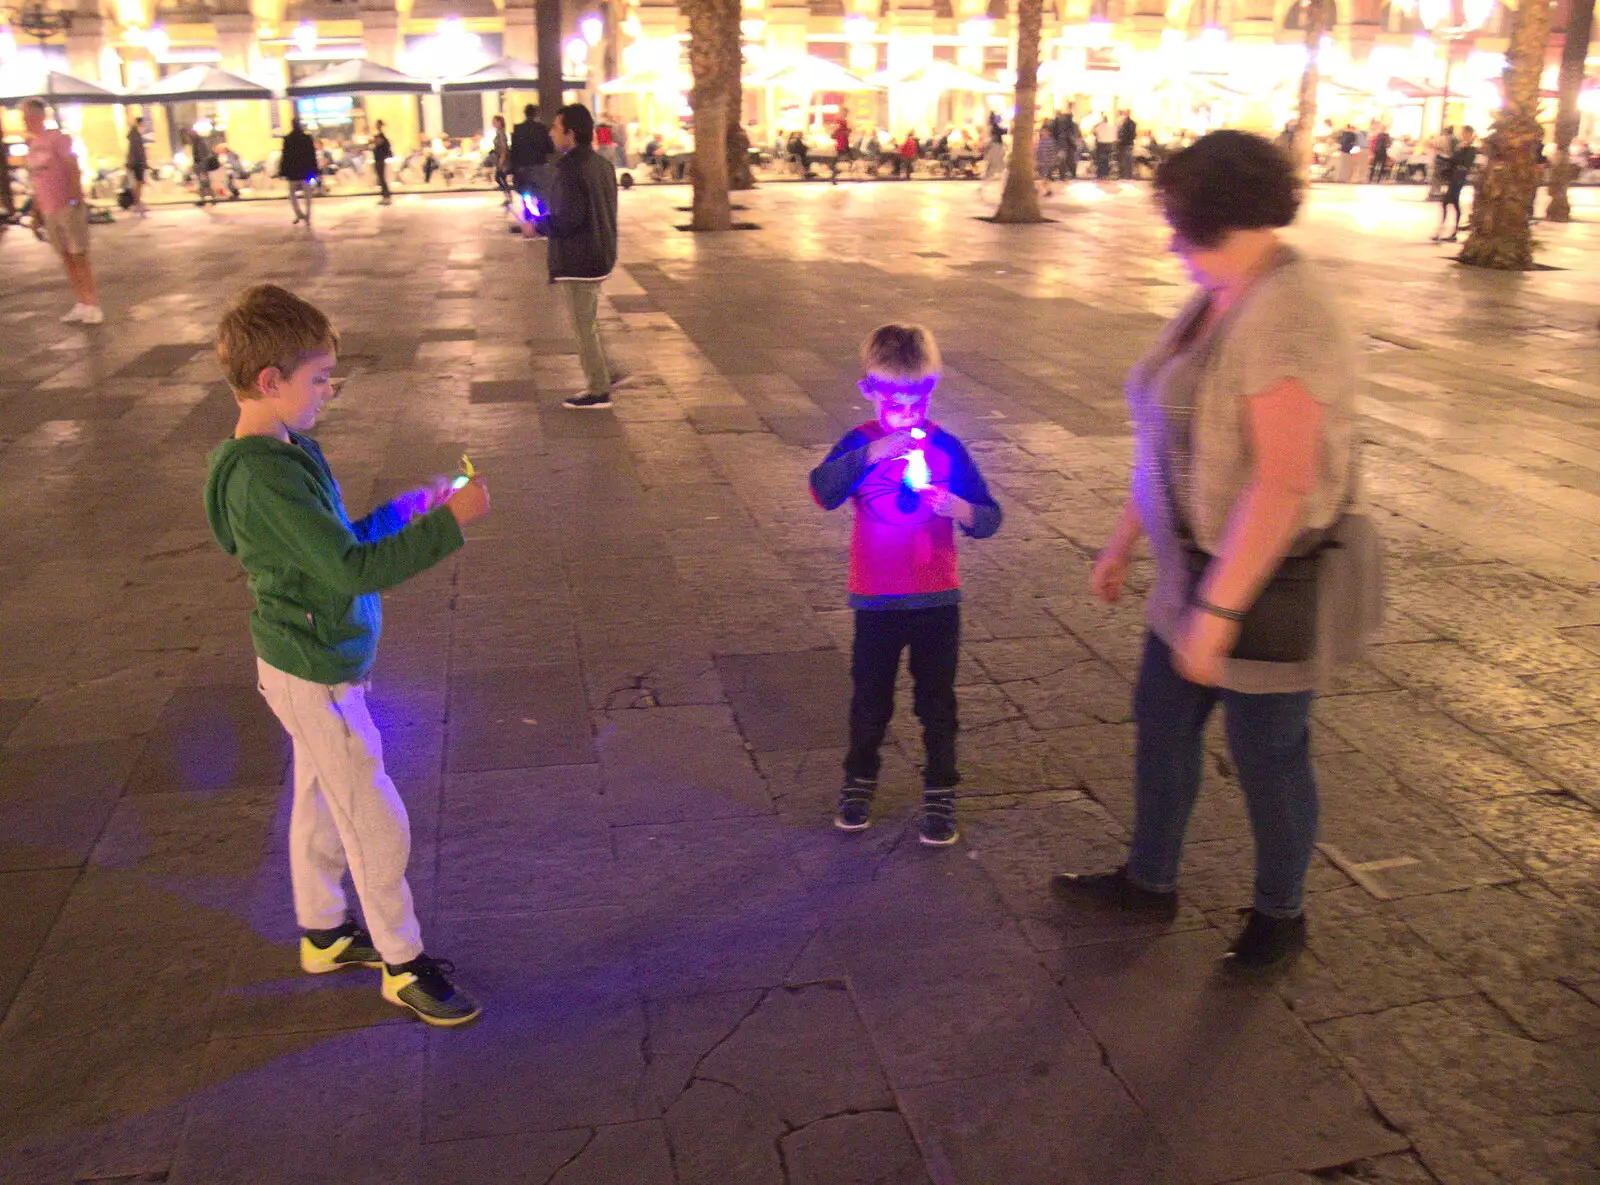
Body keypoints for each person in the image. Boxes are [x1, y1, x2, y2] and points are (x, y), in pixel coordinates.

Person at [1052, 130, 1367, 971]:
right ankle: (1149, 878)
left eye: (1185, 228)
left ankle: (1280, 913)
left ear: (1233, 222)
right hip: (1192, 567)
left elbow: (1283, 482)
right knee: (1162, 726)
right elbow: (1170, 433)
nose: (1172, 243)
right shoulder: (1221, 292)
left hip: (1265, 580)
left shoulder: (1287, 320)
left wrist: (1220, 613)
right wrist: (1125, 538)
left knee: (1268, 753)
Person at [204, 284, 491, 1025]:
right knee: (371, 814)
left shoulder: (287, 450)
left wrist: (417, 506)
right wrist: (449, 527)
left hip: (312, 656)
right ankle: (404, 963)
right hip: (313, 666)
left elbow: (340, 541)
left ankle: (324, 930)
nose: (329, 391)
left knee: (319, 795)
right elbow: (353, 570)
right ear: (271, 382)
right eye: (319, 378)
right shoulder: (265, 477)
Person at [809, 324, 1003, 847]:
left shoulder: (947, 447)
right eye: (894, 402)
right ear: (869, 391)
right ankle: (858, 784)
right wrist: (872, 453)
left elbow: (988, 518)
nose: (907, 414)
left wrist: (956, 505)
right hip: (875, 596)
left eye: (918, 402)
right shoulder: (858, 443)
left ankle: (941, 790)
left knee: (936, 699)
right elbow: (822, 491)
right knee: (870, 696)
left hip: (936, 596)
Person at [533, 104, 623, 410]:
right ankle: (610, 370)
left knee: (583, 326)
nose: (552, 133)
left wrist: (537, 224)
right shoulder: (602, 164)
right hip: (600, 253)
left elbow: (568, 218)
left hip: (578, 259)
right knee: (590, 320)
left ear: (570, 134)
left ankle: (598, 389)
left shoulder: (569, 168)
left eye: (557, 128)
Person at [20, 99, 102, 324]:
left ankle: (92, 303)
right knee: (65, 257)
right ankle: (81, 302)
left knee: (79, 255)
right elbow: (36, 183)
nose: (23, 120)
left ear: (37, 116)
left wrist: (76, 198)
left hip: (66, 205)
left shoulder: (58, 139)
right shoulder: (32, 146)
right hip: (48, 209)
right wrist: (36, 215)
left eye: (25, 116)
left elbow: (72, 168)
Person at [1433, 125, 1477, 243]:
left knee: (1449, 202)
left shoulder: (1471, 149)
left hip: (1459, 178)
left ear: (1469, 133)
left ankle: (1447, 232)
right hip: (1455, 177)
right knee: (1450, 203)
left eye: (1464, 133)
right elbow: (1453, 160)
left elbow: (1464, 162)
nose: (1462, 135)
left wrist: (1462, 149)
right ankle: (1448, 232)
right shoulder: (1461, 146)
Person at [509, 104, 556, 204]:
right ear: (536, 114)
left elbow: (514, 150)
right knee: (541, 190)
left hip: (522, 167)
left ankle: (526, 207)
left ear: (525, 114)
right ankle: (541, 208)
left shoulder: (518, 128)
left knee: (524, 189)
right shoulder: (542, 128)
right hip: (538, 165)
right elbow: (550, 148)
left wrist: (513, 168)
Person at [279, 119, 319, 226]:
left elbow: (285, 157)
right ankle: (308, 216)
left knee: (292, 194)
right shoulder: (306, 138)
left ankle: (299, 213)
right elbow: (312, 155)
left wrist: (283, 171)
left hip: (293, 172)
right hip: (305, 170)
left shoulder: (288, 139)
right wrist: (315, 170)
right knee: (307, 194)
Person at [125, 113, 148, 216]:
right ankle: (137, 203)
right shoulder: (136, 135)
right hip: (137, 163)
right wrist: (144, 162)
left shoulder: (133, 135)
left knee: (138, 183)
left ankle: (137, 202)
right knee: (138, 183)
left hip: (134, 162)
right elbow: (138, 151)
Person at [188, 124, 216, 206]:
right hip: (200, 167)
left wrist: (202, 168)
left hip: (202, 167)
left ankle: (208, 199)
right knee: (203, 183)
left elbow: (202, 156)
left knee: (204, 183)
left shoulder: (199, 143)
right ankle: (206, 199)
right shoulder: (197, 142)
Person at [491, 114, 511, 206]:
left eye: (494, 121)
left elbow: (503, 148)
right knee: (501, 177)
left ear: (499, 122)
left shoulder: (501, 133)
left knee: (499, 177)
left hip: (502, 159)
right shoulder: (499, 132)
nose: (493, 123)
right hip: (500, 157)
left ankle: (508, 196)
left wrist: (501, 161)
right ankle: (508, 196)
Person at [372, 120, 393, 205]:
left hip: (380, 159)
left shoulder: (381, 136)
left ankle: (386, 196)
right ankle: (385, 196)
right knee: (381, 179)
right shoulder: (381, 135)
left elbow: (380, 145)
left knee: (381, 178)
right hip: (379, 159)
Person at [1092, 113, 1116, 178]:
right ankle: (1106, 174)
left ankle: (1100, 174)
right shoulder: (1112, 126)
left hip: (1101, 144)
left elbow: (1093, 132)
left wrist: (1097, 124)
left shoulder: (1099, 127)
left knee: (1100, 160)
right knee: (1107, 160)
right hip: (1110, 145)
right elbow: (1114, 137)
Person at [1117, 110, 1138, 179]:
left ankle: (1125, 174)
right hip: (1130, 143)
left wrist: (1120, 139)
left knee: (1124, 159)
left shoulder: (1125, 123)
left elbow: (1125, 134)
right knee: (1129, 159)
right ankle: (1128, 174)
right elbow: (1133, 135)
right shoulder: (1133, 123)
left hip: (1124, 144)